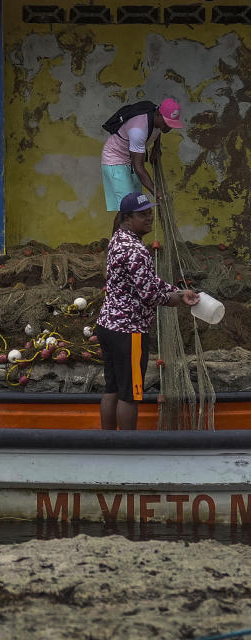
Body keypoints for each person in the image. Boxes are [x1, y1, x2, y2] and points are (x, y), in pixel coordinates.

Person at [95, 191, 199, 431]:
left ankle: (107, 443)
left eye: (150, 213)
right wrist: (174, 299)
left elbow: (147, 281)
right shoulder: (137, 250)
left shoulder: (118, 239)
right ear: (127, 218)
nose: (149, 218)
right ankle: (127, 449)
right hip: (128, 330)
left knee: (112, 389)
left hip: (108, 326)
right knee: (130, 394)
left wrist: (178, 291)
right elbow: (150, 294)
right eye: (143, 214)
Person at [101, 98, 183, 224]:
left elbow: (157, 130)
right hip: (116, 159)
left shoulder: (157, 120)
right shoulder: (138, 130)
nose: (169, 127)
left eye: (172, 124)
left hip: (130, 159)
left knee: (135, 205)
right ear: (158, 115)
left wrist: (156, 147)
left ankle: (131, 242)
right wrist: (157, 192)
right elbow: (139, 168)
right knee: (128, 209)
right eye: (167, 123)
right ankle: (116, 243)